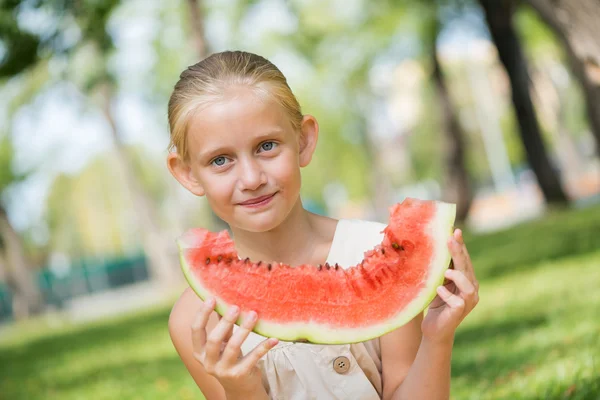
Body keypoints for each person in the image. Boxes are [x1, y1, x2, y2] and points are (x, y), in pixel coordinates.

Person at [166, 50, 479, 400]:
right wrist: (241, 390)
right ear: (188, 173)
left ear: (304, 140)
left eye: (267, 146)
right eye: (220, 160)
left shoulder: (381, 251)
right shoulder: (196, 319)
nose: (252, 178)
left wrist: (438, 338)